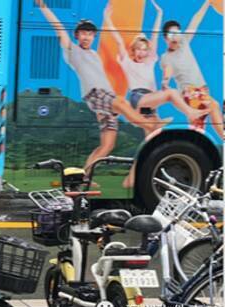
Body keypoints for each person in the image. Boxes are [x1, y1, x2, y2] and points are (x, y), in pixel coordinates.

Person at [35, 0, 163, 174]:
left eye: (90, 34)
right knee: (122, 102)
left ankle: (84, 177)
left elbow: (102, 78)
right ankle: (151, 128)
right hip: (96, 95)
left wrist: (105, 109)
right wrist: (44, 7)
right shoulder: (72, 50)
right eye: (83, 33)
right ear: (77, 36)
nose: (87, 37)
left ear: (94, 36)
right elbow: (58, 28)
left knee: (107, 144)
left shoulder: (94, 54)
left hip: (104, 100)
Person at [103, 1, 208, 188]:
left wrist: (159, 13)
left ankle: (130, 181)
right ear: (133, 51)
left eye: (145, 49)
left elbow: (154, 35)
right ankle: (190, 113)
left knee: (150, 143)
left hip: (150, 103)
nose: (142, 52)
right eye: (138, 49)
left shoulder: (151, 60)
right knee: (170, 93)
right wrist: (107, 19)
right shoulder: (128, 62)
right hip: (139, 98)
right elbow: (119, 40)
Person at [160, 0, 224, 139]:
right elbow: (168, 70)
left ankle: (190, 146)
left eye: (177, 32)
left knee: (198, 126)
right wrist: (165, 81)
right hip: (189, 92)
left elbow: (196, 20)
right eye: (171, 34)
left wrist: (207, 3)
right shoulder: (166, 57)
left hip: (202, 89)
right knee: (214, 105)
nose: (175, 36)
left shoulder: (184, 43)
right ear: (165, 38)